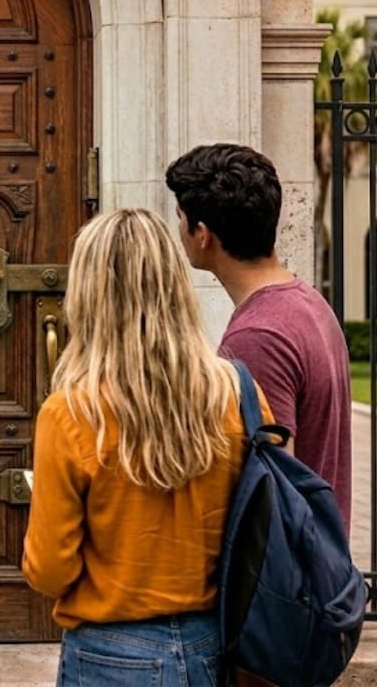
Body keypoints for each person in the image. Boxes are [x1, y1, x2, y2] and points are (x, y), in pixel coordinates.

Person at [23, 208, 274, 686]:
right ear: (175, 287)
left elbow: (49, 570)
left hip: (108, 651)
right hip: (215, 643)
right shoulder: (238, 393)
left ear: (89, 294)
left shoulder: (71, 414)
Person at [166, 143, 352, 530]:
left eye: (181, 219)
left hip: (287, 581)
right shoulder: (308, 303)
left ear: (202, 234)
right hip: (320, 564)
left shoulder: (258, 337)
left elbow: (269, 491)